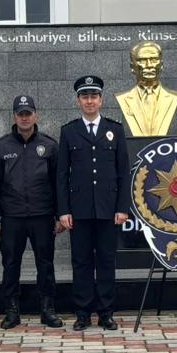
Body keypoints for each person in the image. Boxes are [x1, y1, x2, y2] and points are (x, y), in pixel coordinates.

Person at [57, 74, 130, 331]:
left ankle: (106, 313)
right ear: (78, 101)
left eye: (94, 96)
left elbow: (124, 172)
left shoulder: (115, 130)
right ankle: (83, 313)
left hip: (108, 210)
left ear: (101, 100)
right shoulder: (69, 131)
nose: (89, 101)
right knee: (81, 262)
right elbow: (61, 175)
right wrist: (63, 210)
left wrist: (123, 207)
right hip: (79, 210)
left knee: (107, 261)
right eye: (85, 97)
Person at [0, 95, 64, 330]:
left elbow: (58, 183)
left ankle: (47, 310)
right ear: (14, 116)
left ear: (36, 115)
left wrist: (60, 215)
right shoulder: (1, 147)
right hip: (12, 217)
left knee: (45, 264)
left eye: (28, 113)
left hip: (42, 215)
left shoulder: (50, 146)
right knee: (10, 264)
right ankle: (12, 311)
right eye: (20, 114)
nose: (24, 118)